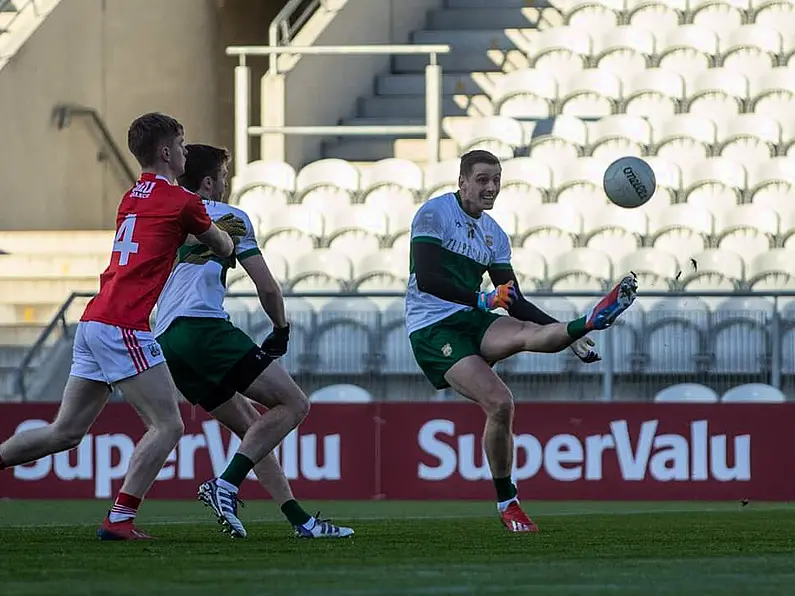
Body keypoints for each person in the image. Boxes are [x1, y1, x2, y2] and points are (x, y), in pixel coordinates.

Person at [0, 113, 245, 540]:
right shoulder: (182, 201)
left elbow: (163, 238)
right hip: (124, 324)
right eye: (182, 145)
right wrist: (223, 237)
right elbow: (223, 244)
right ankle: (119, 518)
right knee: (168, 425)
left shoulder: (132, 197)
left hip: (95, 320)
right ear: (167, 152)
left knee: (66, 432)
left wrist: (193, 239)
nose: (187, 152)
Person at [406, 149, 638, 533]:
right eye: (482, 179)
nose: (491, 187)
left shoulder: (494, 234)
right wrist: (482, 299)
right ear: (461, 181)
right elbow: (428, 279)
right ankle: (507, 501)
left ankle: (584, 325)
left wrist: (563, 330)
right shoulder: (434, 213)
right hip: (432, 328)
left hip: (470, 317)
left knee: (529, 335)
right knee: (499, 402)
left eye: (496, 179)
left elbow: (513, 300)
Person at [154, 144, 353, 539]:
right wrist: (280, 330)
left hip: (166, 339)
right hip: (203, 328)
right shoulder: (230, 217)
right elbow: (268, 289)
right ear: (209, 182)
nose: (226, 185)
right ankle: (225, 485)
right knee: (294, 404)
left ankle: (302, 522)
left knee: (253, 428)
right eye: (223, 177)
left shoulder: (163, 216)